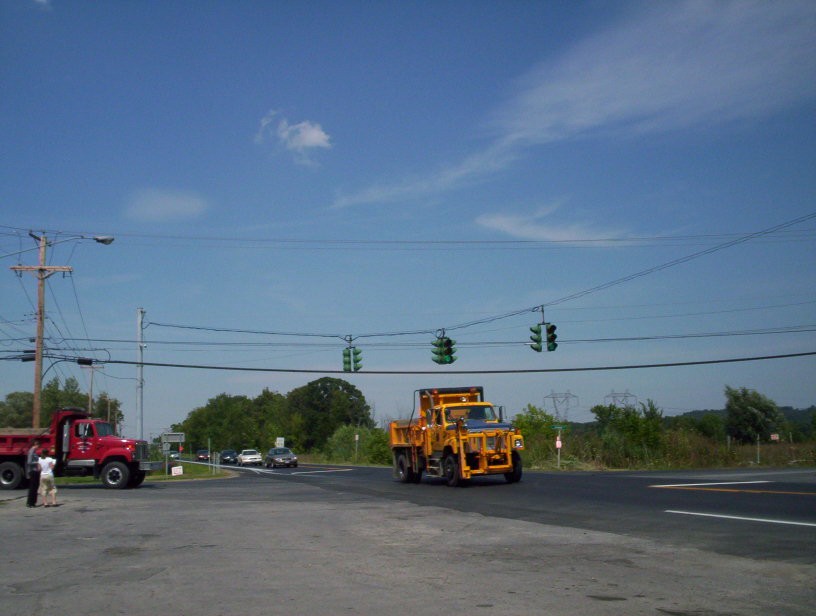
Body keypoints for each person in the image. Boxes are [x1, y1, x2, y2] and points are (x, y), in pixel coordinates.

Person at [25, 439, 41, 508]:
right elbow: (29, 462)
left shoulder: (34, 452)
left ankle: (33, 502)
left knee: (35, 487)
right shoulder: (31, 451)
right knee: (33, 487)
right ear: (35, 445)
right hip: (33, 471)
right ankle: (30, 503)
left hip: (36, 471)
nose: (39, 447)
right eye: (38, 445)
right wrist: (37, 463)